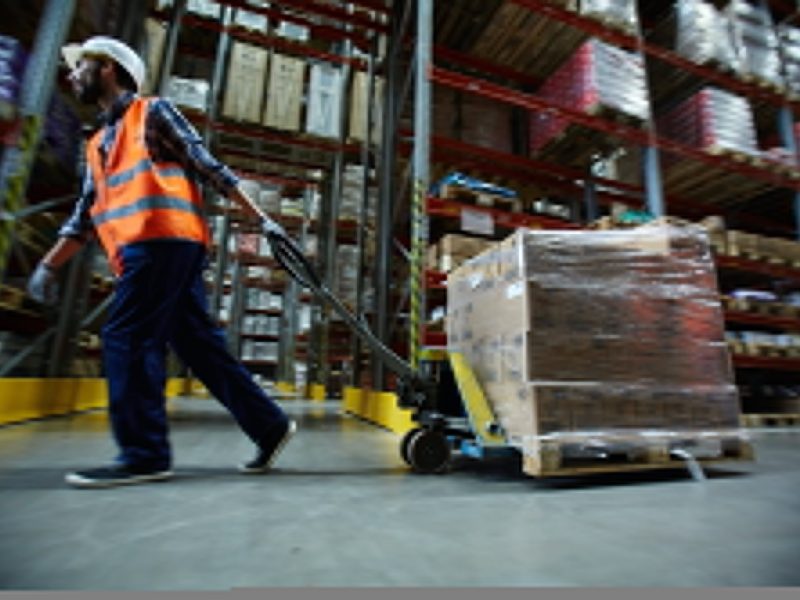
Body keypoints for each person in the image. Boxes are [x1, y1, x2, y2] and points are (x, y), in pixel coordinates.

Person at [27, 36, 296, 489]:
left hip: (163, 242)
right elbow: (84, 216)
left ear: (109, 68)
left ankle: (144, 454)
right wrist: (49, 265)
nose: (72, 76)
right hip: (149, 249)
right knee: (197, 344)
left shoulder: (151, 112)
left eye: (81, 67)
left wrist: (263, 220)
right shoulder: (97, 145)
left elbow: (208, 166)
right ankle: (269, 425)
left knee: (126, 335)